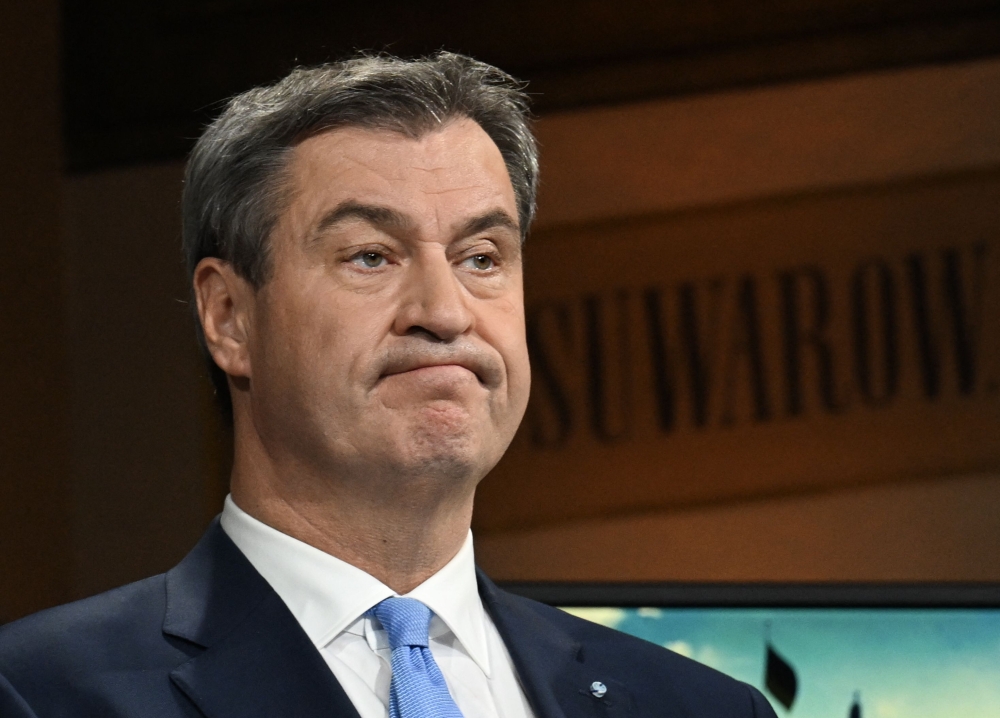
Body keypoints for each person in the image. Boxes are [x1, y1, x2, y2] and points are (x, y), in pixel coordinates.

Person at [0, 52, 777, 718]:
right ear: (230, 317)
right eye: (371, 256)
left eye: (482, 257)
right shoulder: (42, 694)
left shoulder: (698, 707)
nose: (444, 312)